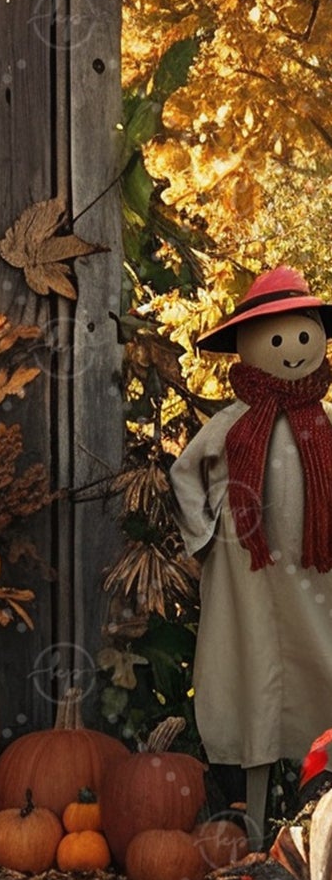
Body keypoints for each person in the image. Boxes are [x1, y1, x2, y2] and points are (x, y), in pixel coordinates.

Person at [173, 265, 332, 845]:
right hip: (246, 574)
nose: (290, 350)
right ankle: (257, 815)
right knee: (252, 670)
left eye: (300, 336)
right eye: (276, 339)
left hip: (319, 575)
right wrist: (209, 531)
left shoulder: (325, 425)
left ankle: (316, 810)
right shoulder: (231, 427)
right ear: (248, 346)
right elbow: (184, 474)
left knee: (321, 664)